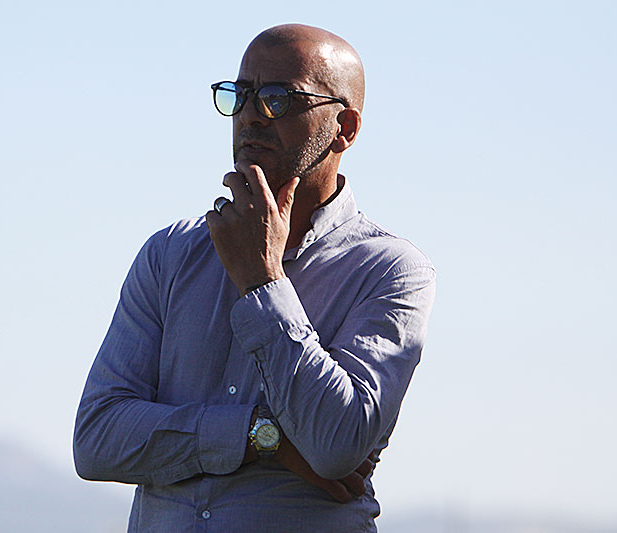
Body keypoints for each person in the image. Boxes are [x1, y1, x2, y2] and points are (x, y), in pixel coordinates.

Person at [74, 23, 436, 532]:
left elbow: (336, 445)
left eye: (278, 99)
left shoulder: (389, 270)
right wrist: (261, 436)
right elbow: (96, 439)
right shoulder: (170, 255)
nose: (250, 115)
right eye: (240, 95)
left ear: (345, 127)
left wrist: (263, 281)